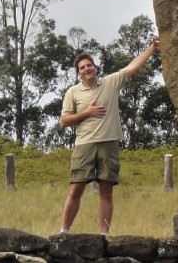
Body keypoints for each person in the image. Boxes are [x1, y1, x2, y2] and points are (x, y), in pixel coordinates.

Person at [58, 39, 160, 235]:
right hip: (84, 145)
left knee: (106, 191)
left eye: (89, 65)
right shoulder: (73, 92)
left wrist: (152, 49)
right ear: (78, 73)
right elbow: (64, 121)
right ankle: (64, 231)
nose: (86, 69)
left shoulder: (110, 83)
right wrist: (86, 113)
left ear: (95, 67)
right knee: (76, 189)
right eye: (82, 67)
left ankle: (103, 235)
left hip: (108, 144)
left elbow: (132, 67)